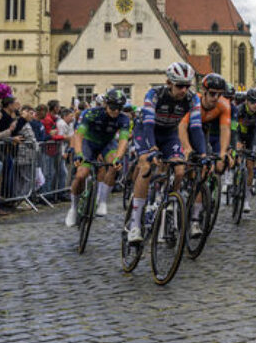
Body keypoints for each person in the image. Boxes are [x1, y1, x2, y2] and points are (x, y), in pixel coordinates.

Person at [127, 63, 202, 242]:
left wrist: (203, 155)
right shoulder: (154, 95)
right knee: (146, 165)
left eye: (187, 85)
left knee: (180, 169)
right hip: (146, 131)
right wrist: (152, 148)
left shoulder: (192, 98)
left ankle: (168, 201)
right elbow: (148, 124)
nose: (184, 90)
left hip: (169, 134)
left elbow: (196, 128)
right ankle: (135, 225)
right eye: (179, 85)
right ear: (169, 82)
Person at [65, 89, 131, 228]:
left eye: (119, 108)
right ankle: (73, 207)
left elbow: (123, 140)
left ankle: (102, 201)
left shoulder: (124, 118)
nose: (116, 111)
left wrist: (118, 158)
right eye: (113, 107)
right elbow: (78, 135)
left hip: (107, 144)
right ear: (106, 104)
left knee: (114, 164)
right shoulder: (91, 113)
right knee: (81, 175)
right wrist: (78, 153)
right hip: (88, 143)